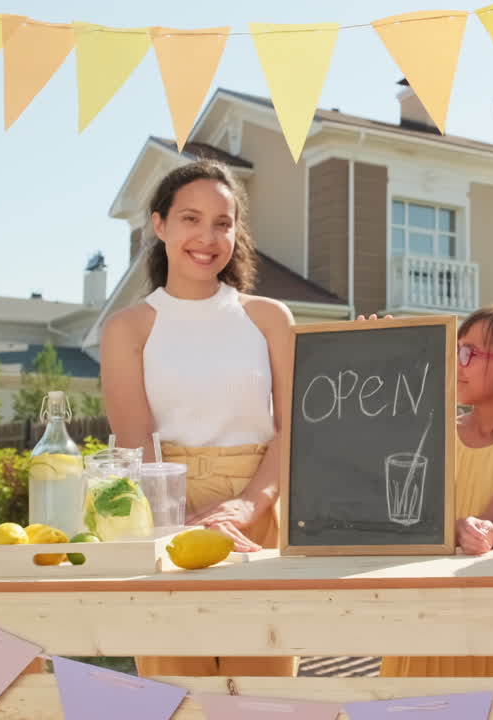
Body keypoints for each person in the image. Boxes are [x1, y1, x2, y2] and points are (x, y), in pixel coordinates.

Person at [101, 160, 296, 678]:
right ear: (159, 224)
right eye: (191, 219)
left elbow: (294, 431)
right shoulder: (128, 328)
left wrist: (246, 506)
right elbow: (134, 441)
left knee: (264, 696)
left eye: (223, 223)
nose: (207, 237)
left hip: (260, 511)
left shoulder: (269, 318)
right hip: (165, 514)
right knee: (175, 690)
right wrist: (173, 528)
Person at [379, 304, 493, 678]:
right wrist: (378, 351)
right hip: (422, 610)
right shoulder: (433, 429)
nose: (456, 362)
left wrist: (490, 533)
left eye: (469, 353)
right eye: (455, 349)